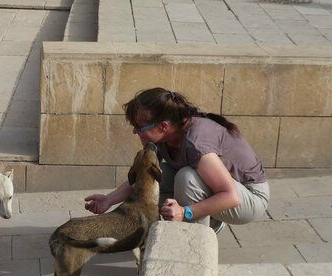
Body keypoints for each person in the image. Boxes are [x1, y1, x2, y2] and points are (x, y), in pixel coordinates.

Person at [85, 87, 270, 233]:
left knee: (187, 178)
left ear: (164, 126)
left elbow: (231, 196)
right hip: (222, 189)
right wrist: (109, 200)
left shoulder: (195, 143)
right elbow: (142, 179)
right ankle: (210, 219)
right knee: (155, 176)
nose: (135, 131)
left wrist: (185, 212)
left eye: (139, 127)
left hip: (249, 197)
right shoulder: (161, 138)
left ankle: (193, 250)